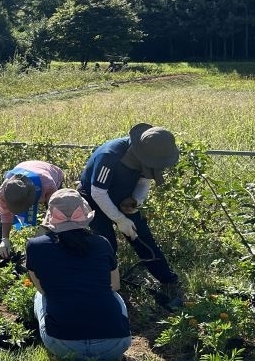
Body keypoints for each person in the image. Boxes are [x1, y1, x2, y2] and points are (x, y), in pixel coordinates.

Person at [78, 123, 182, 307]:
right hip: (95, 199)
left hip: (123, 199)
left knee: (142, 237)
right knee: (106, 243)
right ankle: (107, 286)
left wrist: (135, 202)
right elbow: (98, 192)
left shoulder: (150, 155)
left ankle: (168, 280)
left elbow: (143, 181)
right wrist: (119, 220)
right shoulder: (109, 156)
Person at [26, 188, 131, 361]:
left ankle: (62, 354)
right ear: (84, 214)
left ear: (51, 218)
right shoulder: (102, 243)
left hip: (63, 345)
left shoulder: (35, 246)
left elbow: (42, 289)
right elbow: (115, 285)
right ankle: (112, 356)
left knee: (40, 296)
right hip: (114, 344)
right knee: (114, 295)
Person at [0, 160, 65, 258]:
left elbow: (54, 212)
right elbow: (5, 214)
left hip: (50, 173)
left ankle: (56, 250)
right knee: (1, 216)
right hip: (26, 167)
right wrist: (5, 239)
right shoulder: (5, 191)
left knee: (57, 220)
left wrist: (43, 232)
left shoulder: (48, 184)